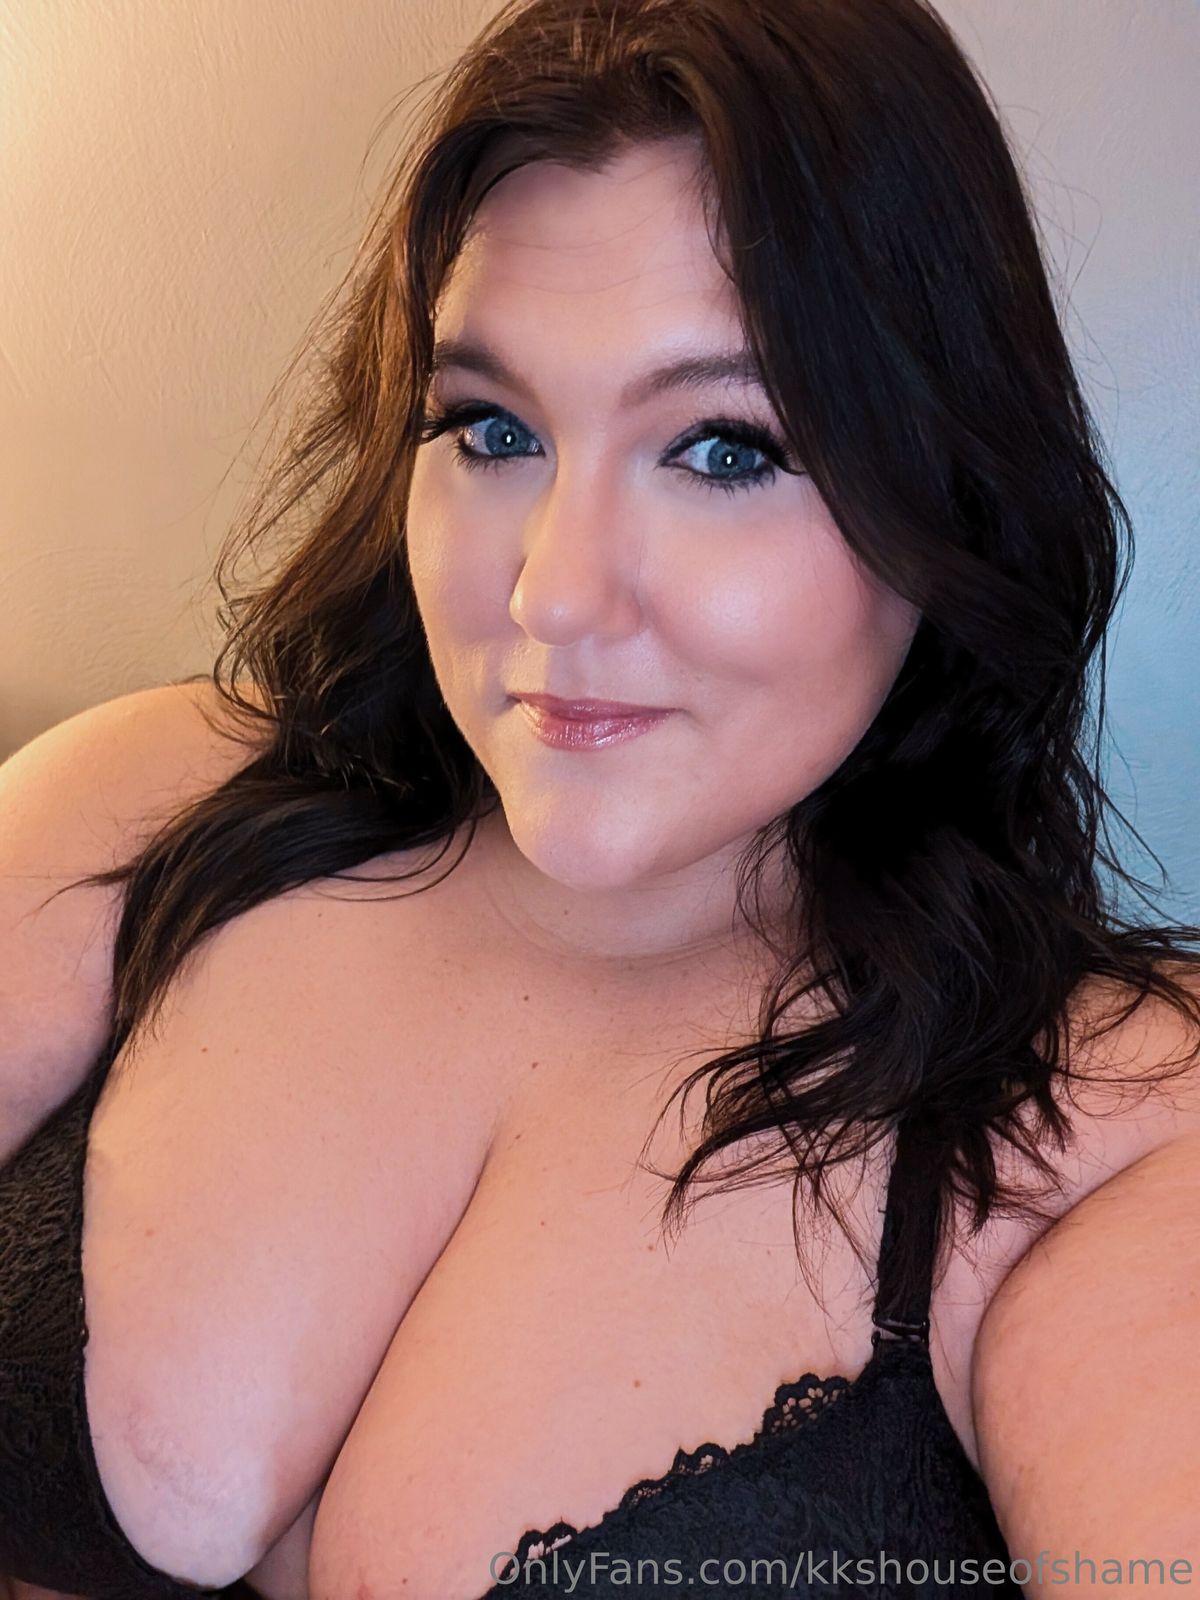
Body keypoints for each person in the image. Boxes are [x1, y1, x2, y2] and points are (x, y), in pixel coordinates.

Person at [2, 0, 1198, 1596]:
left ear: (951, 492)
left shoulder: (1112, 1129)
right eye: (491, 427)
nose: (554, 595)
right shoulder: (155, 801)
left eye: (724, 449)